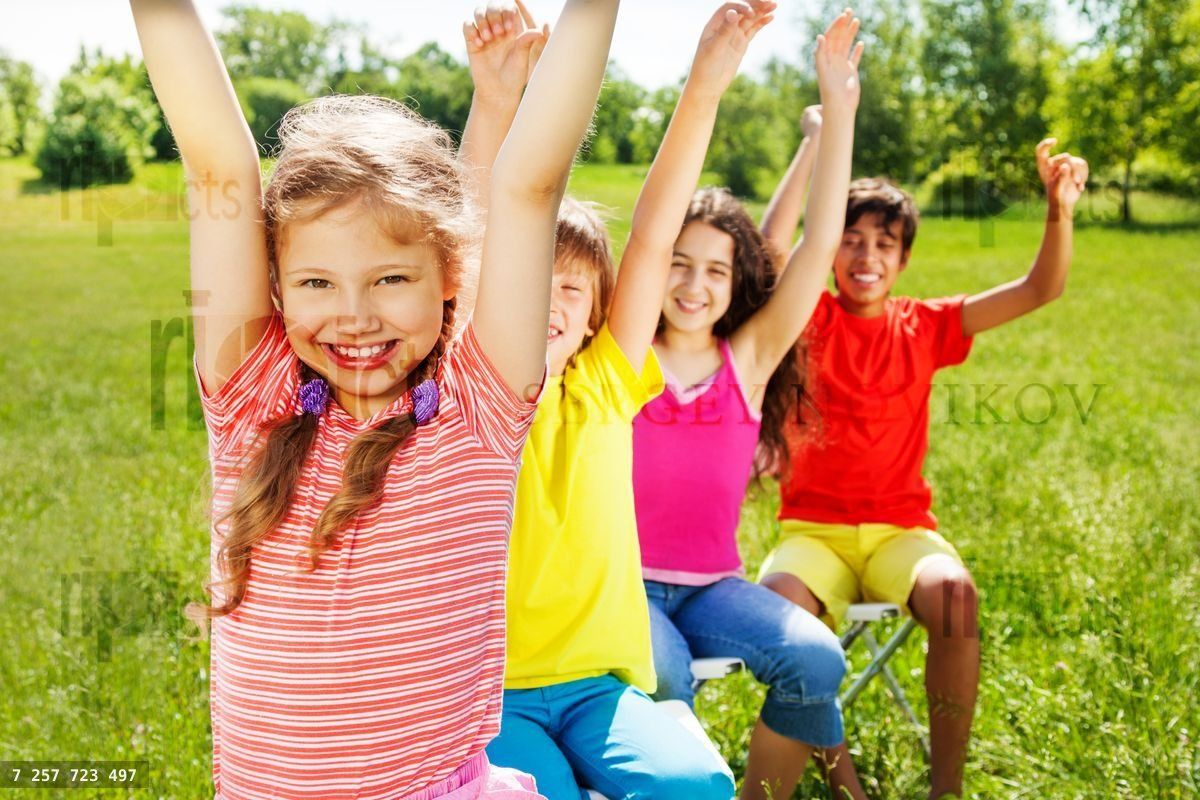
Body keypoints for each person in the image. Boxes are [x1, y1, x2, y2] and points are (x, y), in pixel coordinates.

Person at [129, 0, 620, 796]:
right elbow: (218, 167)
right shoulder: (254, 405)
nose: (354, 316)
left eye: (390, 279)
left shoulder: (475, 415)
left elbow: (530, 186)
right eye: (317, 283)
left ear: (451, 277)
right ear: (276, 287)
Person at [461, 3, 773, 798]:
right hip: (491, 694)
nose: (548, 299)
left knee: (699, 785)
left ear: (596, 313)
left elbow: (655, 234)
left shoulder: (604, 383)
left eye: (570, 288)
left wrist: (704, 84)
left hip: (599, 687)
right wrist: (496, 102)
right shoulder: (474, 391)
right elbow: (472, 241)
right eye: (531, 279)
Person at [759, 144, 1089, 800]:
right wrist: (814, 146)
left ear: (904, 258)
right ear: (826, 251)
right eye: (850, 240)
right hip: (812, 533)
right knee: (781, 608)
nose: (867, 256)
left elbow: (1040, 289)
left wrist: (1059, 208)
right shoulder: (809, 316)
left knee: (957, 599)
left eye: (884, 244)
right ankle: (843, 782)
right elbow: (770, 253)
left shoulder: (926, 325)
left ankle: (946, 790)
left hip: (900, 532)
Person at [631, 11, 868, 800]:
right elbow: (647, 230)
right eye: (678, 263)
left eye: (716, 271)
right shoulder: (623, 353)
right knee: (665, 677)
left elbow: (818, 240)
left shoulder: (749, 361)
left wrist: (839, 113)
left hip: (713, 587)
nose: (693, 285)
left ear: (737, 285)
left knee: (816, 659)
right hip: (623, 583)